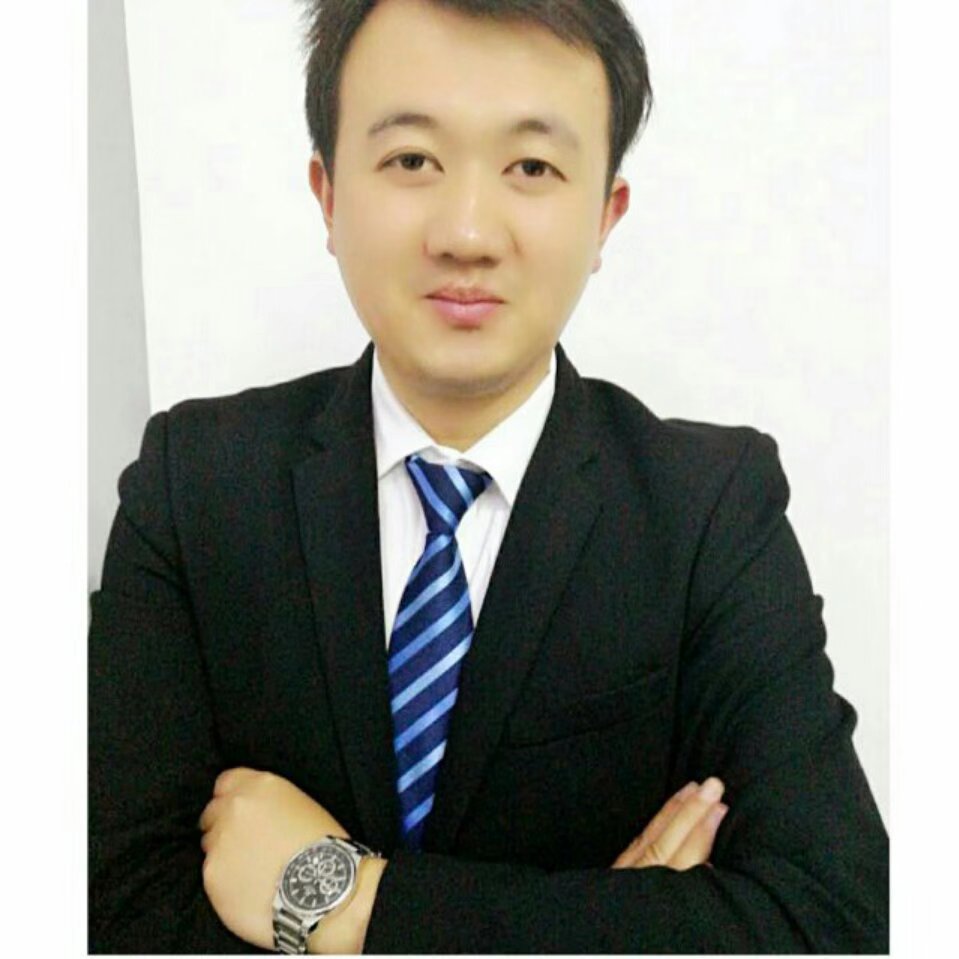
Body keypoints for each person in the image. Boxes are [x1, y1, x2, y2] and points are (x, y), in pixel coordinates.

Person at [88, 0, 889, 952]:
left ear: (605, 216)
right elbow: (110, 907)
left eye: (532, 168)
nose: (467, 233)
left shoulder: (710, 509)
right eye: (411, 160)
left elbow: (832, 917)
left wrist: (347, 904)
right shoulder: (194, 485)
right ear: (328, 195)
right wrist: (608, 921)